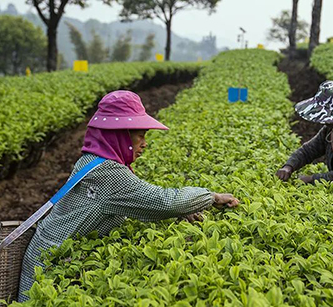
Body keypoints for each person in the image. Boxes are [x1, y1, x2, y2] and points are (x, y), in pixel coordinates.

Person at [18, 90, 239, 302]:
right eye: (140, 135)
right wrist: (212, 197)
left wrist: (185, 210)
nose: (144, 143)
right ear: (119, 136)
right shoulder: (108, 173)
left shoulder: (93, 159)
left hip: (48, 256)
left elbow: (132, 204)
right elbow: (164, 201)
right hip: (47, 271)